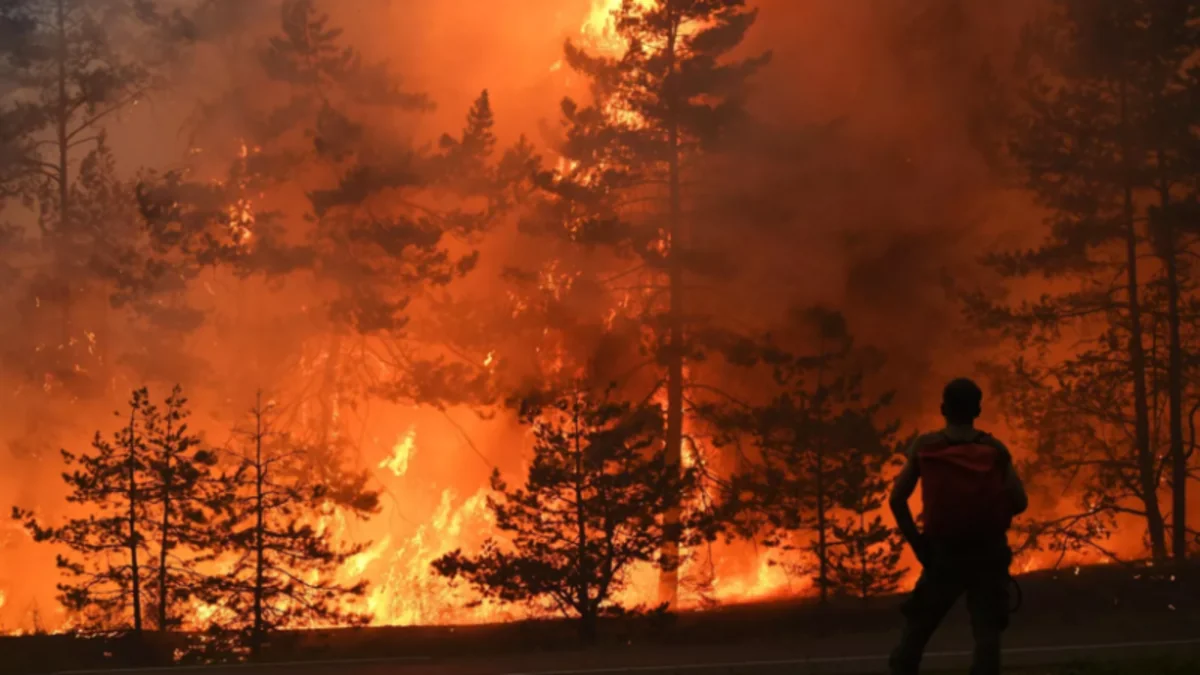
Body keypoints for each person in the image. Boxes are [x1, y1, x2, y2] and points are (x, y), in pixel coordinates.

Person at [887, 377, 1028, 675]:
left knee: (917, 629)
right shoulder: (995, 449)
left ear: (943, 409)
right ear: (977, 410)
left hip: (942, 555)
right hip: (988, 555)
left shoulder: (926, 446)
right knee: (987, 634)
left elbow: (898, 499)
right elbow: (1020, 501)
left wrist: (919, 546)